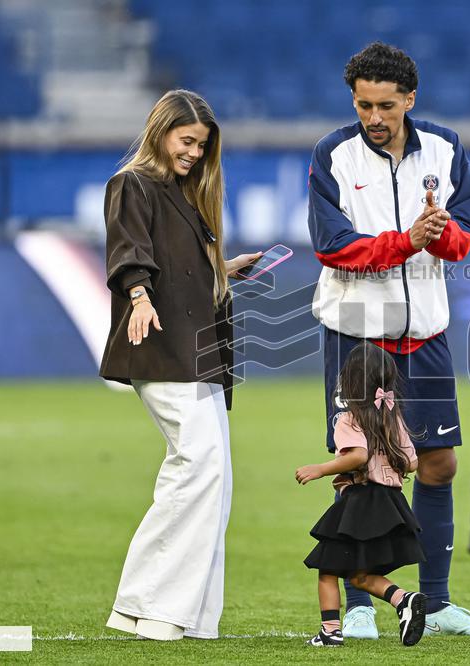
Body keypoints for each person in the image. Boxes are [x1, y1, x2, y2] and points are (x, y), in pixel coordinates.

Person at [308, 42, 470, 637]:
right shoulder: (332, 155)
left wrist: (439, 236)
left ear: (410, 99)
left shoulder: (445, 147)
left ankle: (436, 605)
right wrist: (408, 240)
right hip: (357, 340)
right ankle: (363, 608)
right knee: (362, 469)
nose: (374, 118)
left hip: (426, 335)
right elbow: (334, 247)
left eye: (386, 105)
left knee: (437, 464)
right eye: (363, 105)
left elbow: (465, 236)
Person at [100, 90, 262, 641]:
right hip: (163, 347)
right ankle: (149, 608)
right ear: (160, 130)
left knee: (213, 478)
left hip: (199, 351)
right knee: (198, 466)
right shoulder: (132, 183)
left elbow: (182, 269)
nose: (194, 152)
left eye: (202, 145)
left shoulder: (185, 195)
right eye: (186, 140)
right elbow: (129, 252)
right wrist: (139, 296)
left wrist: (225, 270)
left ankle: (188, 616)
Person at [296, 343, 428, 648]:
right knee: (358, 574)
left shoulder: (349, 419)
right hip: (390, 502)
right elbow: (412, 461)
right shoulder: (392, 417)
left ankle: (329, 632)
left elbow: (357, 455)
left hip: (361, 502)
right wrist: (390, 460)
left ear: (351, 383)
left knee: (327, 568)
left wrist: (321, 468)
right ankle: (404, 600)